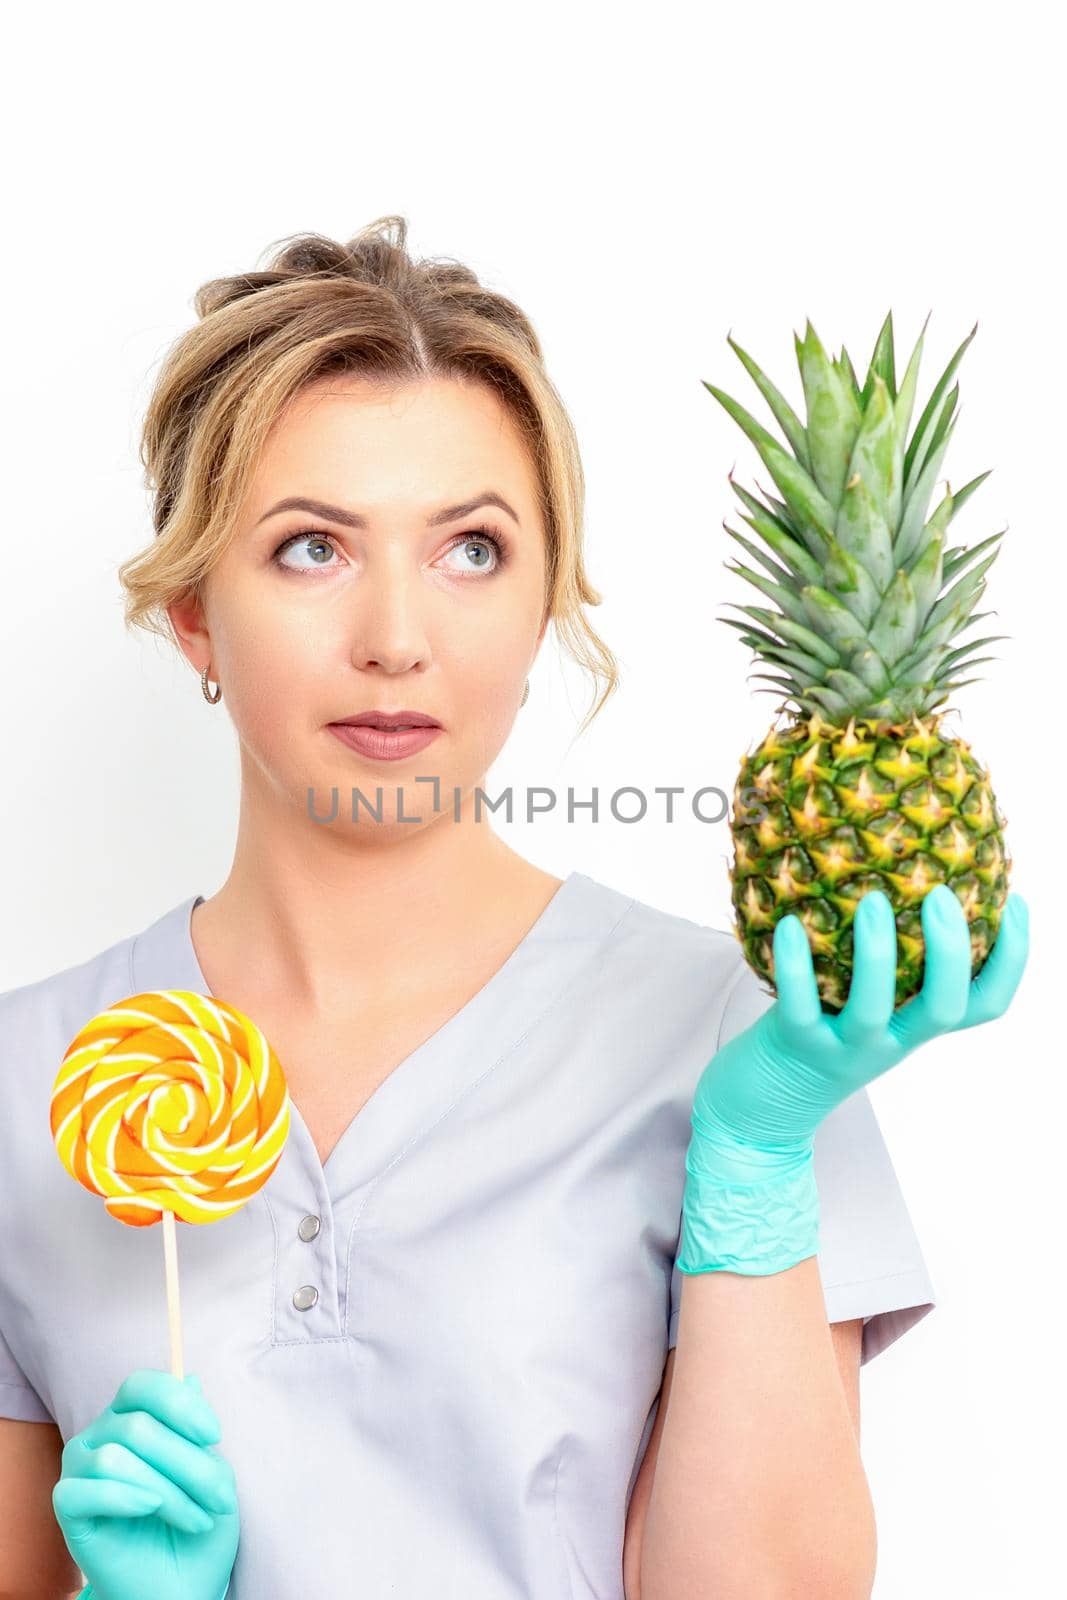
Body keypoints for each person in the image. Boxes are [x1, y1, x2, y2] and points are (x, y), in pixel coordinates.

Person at [0, 217, 1027, 1600]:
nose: (398, 637)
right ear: (193, 609)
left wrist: (760, 1155)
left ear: (547, 599)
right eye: (311, 548)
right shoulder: (32, 1085)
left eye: (472, 550)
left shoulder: (747, 1039)